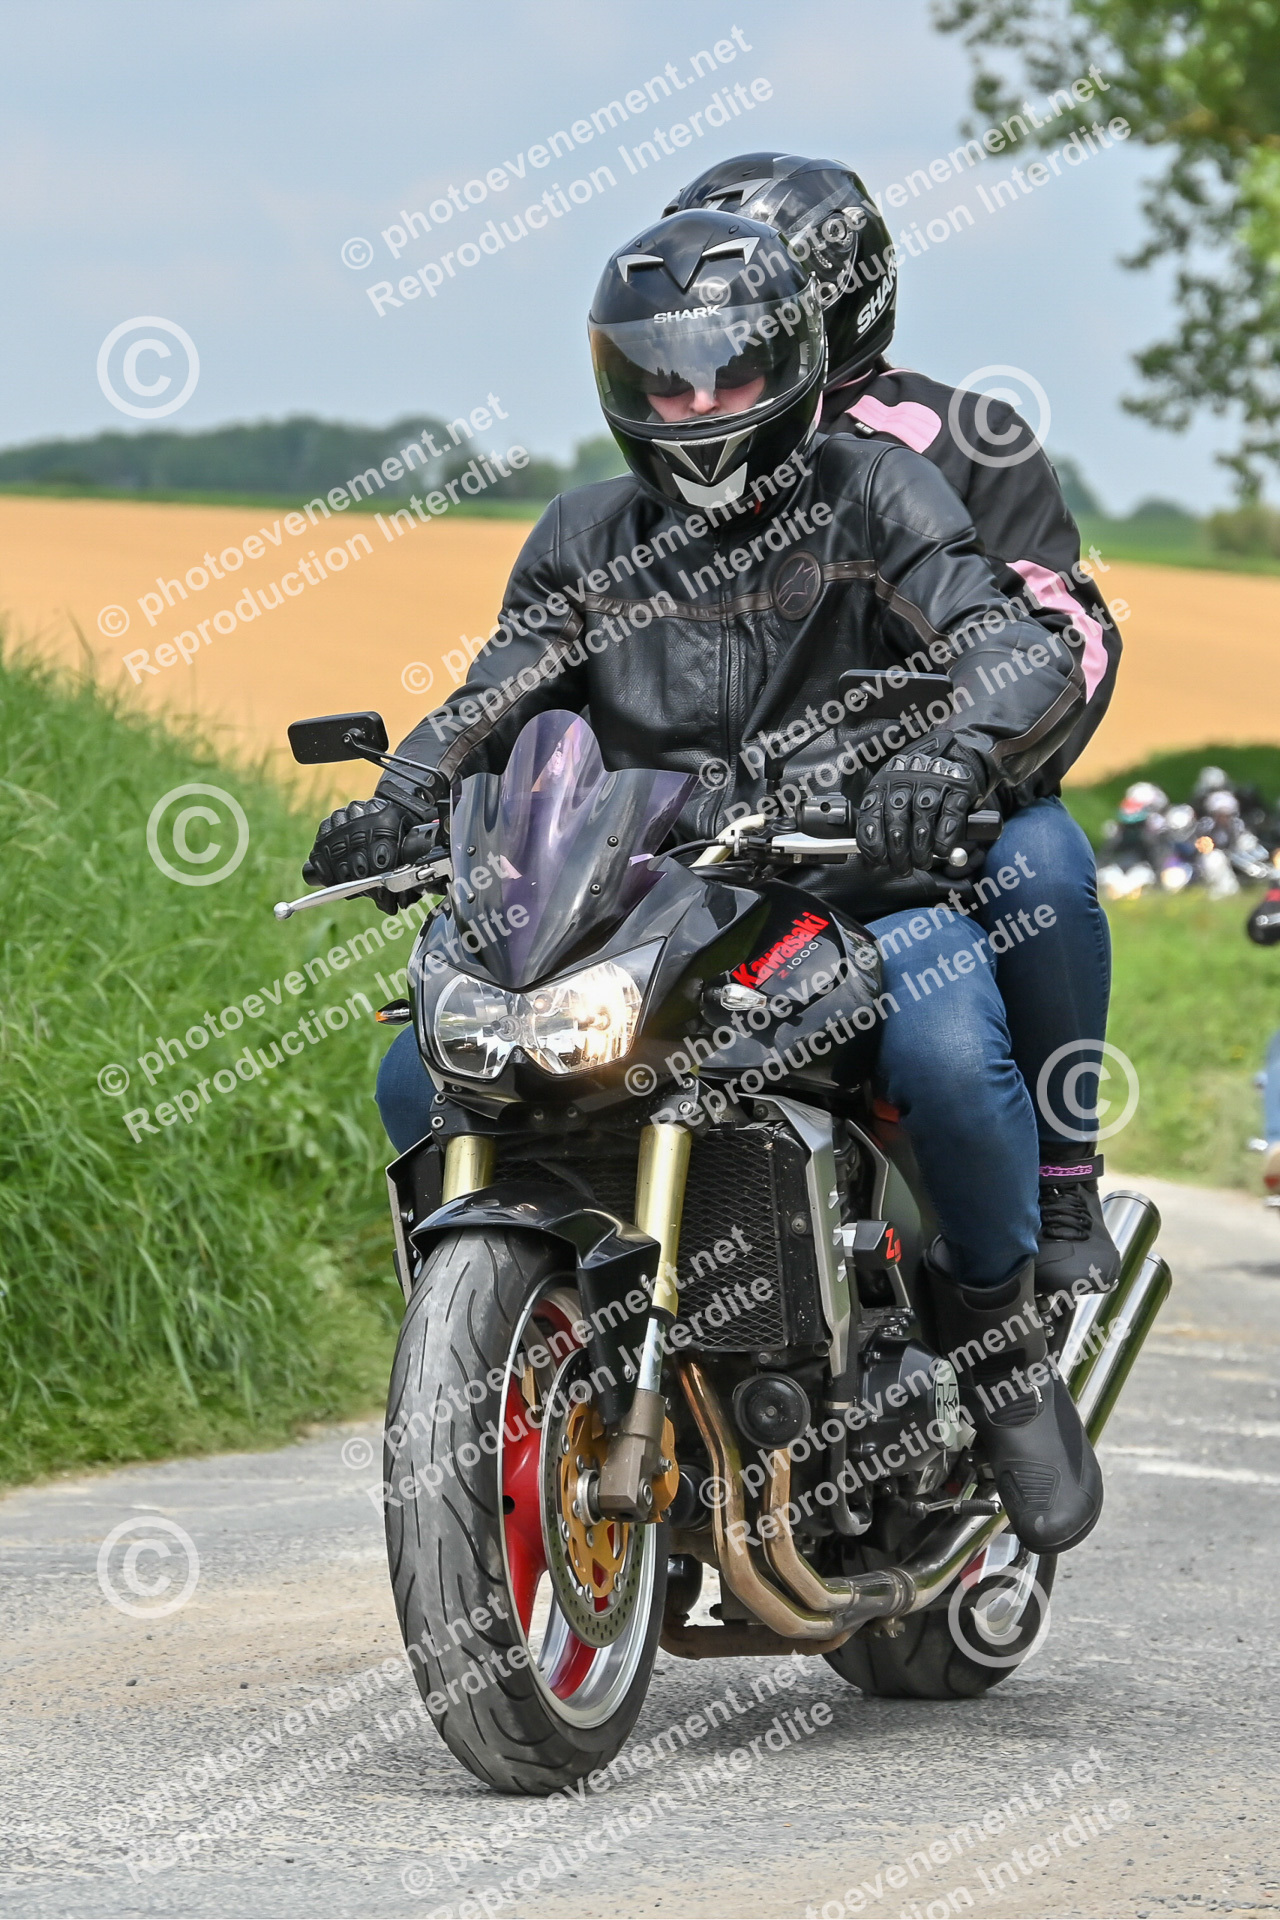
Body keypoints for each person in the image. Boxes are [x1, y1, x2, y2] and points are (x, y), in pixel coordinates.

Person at [305, 208, 1103, 1551]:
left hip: (850, 885)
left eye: (727, 374)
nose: (695, 407)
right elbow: (495, 695)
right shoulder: (583, 534)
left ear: (792, 363)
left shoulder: (879, 494)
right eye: (661, 380)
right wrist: (403, 798)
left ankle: (998, 1345)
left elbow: (1006, 640)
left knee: (948, 1051)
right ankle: (510, 1337)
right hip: (646, 900)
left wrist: (952, 751)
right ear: (615, 383)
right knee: (417, 1075)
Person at [664, 152, 1123, 1324]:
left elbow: (1062, 631)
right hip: (732, 849)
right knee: (429, 1068)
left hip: (942, 824)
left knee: (1041, 866)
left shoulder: (962, 437)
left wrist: (964, 752)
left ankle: (1059, 1185)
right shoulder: (673, 462)